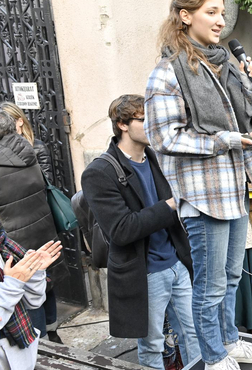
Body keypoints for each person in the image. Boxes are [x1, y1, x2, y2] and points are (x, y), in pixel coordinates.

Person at [144, 1, 252, 368]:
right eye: (211, 12)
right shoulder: (168, 73)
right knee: (209, 286)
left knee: (232, 276)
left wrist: (251, 81)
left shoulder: (222, 64)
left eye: (222, 13)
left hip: (235, 189)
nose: (221, 21)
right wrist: (223, 141)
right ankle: (214, 355)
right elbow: (163, 137)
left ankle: (229, 340)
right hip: (203, 196)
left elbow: (249, 115)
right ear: (185, 15)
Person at [81, 94, 199, 369]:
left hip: (177, 264)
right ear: (122, 124)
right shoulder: (99, 172)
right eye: (146, 120)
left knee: (194, 333)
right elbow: (121, 230)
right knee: (152, 347)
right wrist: (170, 205)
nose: (155, 126)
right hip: (145, 273)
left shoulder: (155, 158)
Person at [0, 107, 65, 344]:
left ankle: (39, 347)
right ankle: (52, 337)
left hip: (13, 247)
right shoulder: (27, 150)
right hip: (40, 235)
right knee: (43, 291)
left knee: (27, 307)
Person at [0, 183, 62, 370]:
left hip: (23, 355)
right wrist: (13, 283)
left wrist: (35, 272)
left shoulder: (2, 244)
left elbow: (33, 302)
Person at [0, 102, 51, 180]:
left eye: (8, 121)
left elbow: (46, 180)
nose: (5, 126)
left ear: (20, 121)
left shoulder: (38, 147)